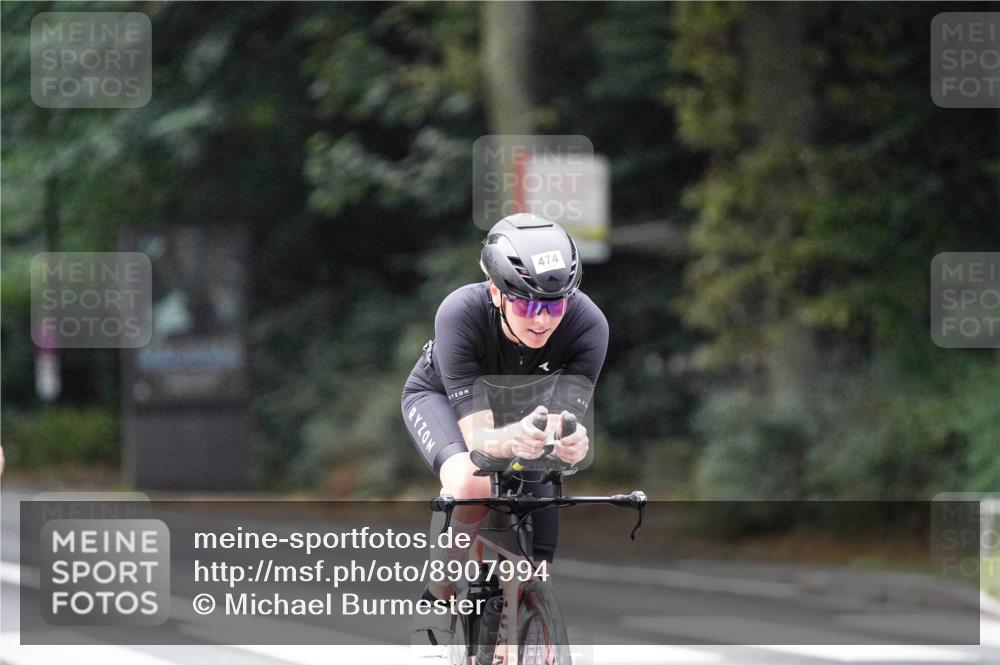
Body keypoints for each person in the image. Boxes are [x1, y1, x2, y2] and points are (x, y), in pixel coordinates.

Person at [401, 213, 609, 645]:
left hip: (522, 410)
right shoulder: (460, 313)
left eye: (554, 305)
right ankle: (440, 588)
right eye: (527, 304)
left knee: (535, 557)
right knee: (472, 483)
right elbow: (479, 439)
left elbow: (560, 421)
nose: (542, 320)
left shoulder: (589, 325)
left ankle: (526, 623)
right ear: (496, 292)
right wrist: (511, 441)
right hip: (442, 400)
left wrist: (568, 443)